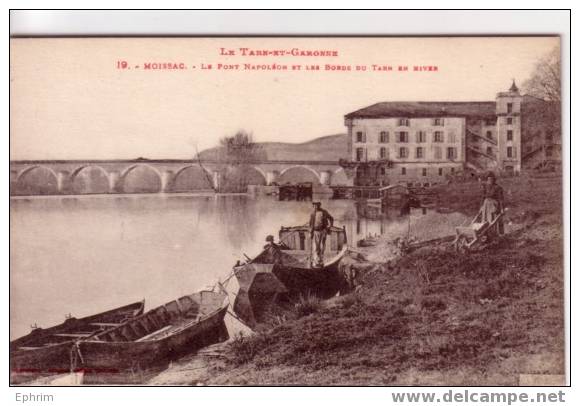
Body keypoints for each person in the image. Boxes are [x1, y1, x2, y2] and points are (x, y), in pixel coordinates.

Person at [309, 202, 334, 267]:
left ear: (319, 205)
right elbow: (311, 224)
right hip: (315, 231)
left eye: (317, 205)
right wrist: (310, 232)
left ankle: (321, 257)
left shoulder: (324, 212)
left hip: (323, 231)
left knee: (322, 245)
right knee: (316, 246)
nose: (315, 206)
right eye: (314, 205)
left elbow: (331, 218)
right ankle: (316, 260)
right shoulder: (312, 213)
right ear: (313, 206)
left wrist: (330, 226)